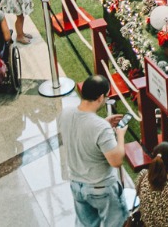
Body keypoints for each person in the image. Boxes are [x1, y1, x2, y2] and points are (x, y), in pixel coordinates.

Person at [60, 74, 130, 227]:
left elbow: (81, 132)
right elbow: (116, 161)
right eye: (106, 96)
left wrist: (104, 124)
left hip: (77, 185)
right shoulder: (100, 127)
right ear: (100, 97)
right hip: (101, 188)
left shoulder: (66, 113)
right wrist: (120, 136)